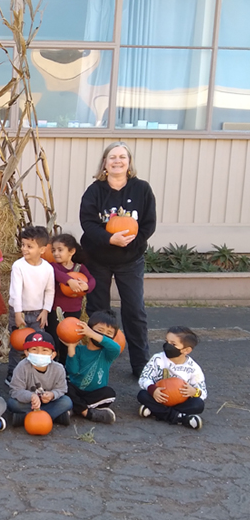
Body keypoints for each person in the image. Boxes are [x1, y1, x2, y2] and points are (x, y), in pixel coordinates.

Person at [80, 141, 156, 377]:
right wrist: (109, 239)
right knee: (98, 311)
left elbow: (148, 224)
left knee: (134, 311)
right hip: (98, 258)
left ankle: (140, 366)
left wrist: (132, 241)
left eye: (122, 157)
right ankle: (97, 362)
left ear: (129, 162)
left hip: (129, 260)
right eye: (112, 157)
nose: (117, 161)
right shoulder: (95, 191)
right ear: (105, 163)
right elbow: (88, 223)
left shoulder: (141, 189)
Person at [7, 226, 54, 379]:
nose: (24, 249)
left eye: (29, 246)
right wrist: (18, 313)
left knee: (38, 344)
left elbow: (49, 290)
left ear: (42, 249)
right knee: (17, 345)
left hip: (38, 313)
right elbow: (16, 291)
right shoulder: (19, 266)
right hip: (18, 311)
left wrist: (46, 310)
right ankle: (13, 375)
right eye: (23, 245)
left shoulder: (47, 268)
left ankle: (36, 374)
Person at [137, 326, 206, 430]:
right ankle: (181, 417)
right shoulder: (158, 359)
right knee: (142, 395)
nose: (168, 346)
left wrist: (194, 392)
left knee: (198, 404)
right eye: (167, 341)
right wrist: (152, 389)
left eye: (173, 344)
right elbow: (144, 378)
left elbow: (203, 392)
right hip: (158, 397)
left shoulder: (193, 368)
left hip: (181, 401)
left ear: (186, 350)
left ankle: (157, 412)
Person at [46, 233, 95, 364]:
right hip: (56, 310)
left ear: (72, 251)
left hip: (74, 310)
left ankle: (66, 367)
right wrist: (70, 281)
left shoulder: (80, 268)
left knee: (69, 339)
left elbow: (92, 280)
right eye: (53, 250)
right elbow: (56, 274)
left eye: (60, 250)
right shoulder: (53, 266)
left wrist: (86, 286)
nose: (56, 253)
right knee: (54, 339)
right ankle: (53, 365)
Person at [7, 330, 73, 427]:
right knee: (12, 403)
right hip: (29, 403)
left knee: (66, 402)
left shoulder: (58, 368)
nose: (39, 353)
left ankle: (26, 418)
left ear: (53, 355)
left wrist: (52, 395)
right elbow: (15, 391)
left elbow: (62, 389)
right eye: (34, 349)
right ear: (26, 352)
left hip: (49, 402)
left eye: (45, 350)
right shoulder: (22, 367)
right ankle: (54, 417)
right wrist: (31, 396)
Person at [64, 310, 120, 424]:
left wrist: (94, 334)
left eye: (109, 333)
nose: (103, 334)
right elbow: (72, 371)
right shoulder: (79, 349)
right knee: (64, 385)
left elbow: (116, 348)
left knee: (110, 393)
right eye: (100, 330)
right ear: (88, 329)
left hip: (95, 394)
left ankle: (75, 408)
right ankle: (87, 412)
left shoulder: (107, 354)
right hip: (76, 390)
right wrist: (71, 349)